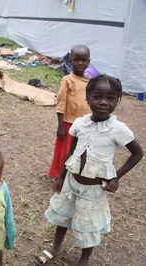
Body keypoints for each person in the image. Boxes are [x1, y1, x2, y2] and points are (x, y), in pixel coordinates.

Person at [35, 75, 144, 266]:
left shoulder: (117, 129)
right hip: (71, 183)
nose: (103, 102)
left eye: (110, 98)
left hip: (94, 191)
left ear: (117, 101)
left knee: (88, 226)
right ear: (87, 97)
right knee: (63, 217)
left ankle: (84, 259)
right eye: (97, 96)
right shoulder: (79, 123)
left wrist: (116, 177)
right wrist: (61, 177)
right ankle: (55, 247)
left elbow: (137, 153)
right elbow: (72, 151)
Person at [48, 44, 91, 179]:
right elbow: (61, 102)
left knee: (81, 149)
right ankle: (59, 174)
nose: (80, 63)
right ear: (70, 61)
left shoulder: (90, 80)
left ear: (89, 62)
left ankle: (76, 173)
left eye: (84, 60)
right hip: (68, 123)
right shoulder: (67, 80)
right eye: (76, 60)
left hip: (85, 124)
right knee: (64, 150)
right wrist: (61, 125)